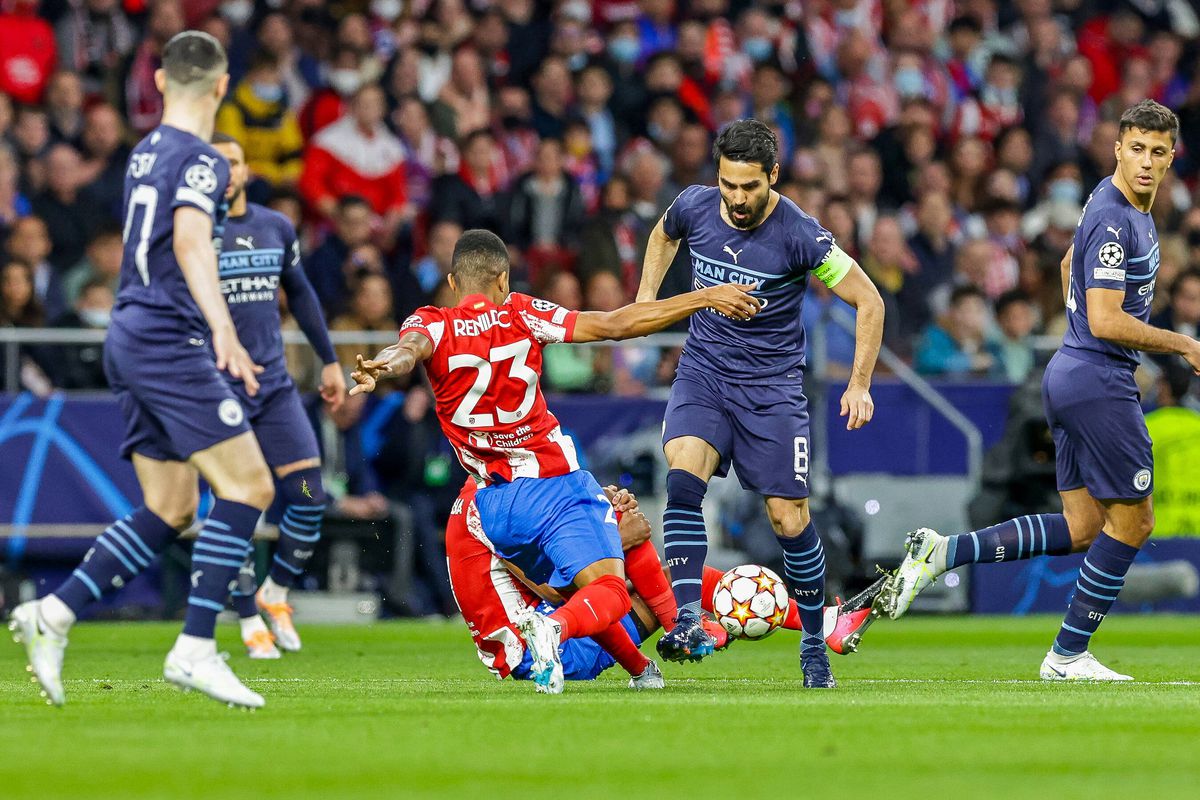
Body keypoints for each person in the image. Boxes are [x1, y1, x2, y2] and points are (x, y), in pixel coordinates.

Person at [349, 228, 760, 694]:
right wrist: (701, 297)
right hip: (550, 482)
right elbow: (614, 325)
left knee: (601, 563)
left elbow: (408, 351)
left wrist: (385, 365)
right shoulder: (522, 311)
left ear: (452, 280)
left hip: (494, 501)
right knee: (608, 585)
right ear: (502, 278)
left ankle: (645, 666)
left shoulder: (430, 322)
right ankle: (581, 630)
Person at [881, 100, 1200, 681]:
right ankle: (1069, 653)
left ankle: (942, 553)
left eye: (1158, 151)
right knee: (1134, 521)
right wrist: (1181, 343)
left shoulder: (1110, 201)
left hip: (1070, 372)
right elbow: (1105, 319)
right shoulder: (1118, 217)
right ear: (1117, 149)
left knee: (1082, 527)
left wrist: (1081, 320)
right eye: (1136, 149)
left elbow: (1065, 266)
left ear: (1171, 155)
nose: (1147, 162)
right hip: (1098, 378)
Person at [9, 31, 274, 709]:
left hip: (129, 331)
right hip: (167, 336)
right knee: (249, 487)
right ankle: (195, 648)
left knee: (171, 505)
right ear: (220, 87)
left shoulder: (144, 151)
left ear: (157, 82)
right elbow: (189, 239)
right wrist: (223, 329)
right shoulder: (202, 160)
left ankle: (53, 614)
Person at [634, 119, 885, 688]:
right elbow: (662, 235)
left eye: (750, 186)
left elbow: (868, 301)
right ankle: (689, 619)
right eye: (729, 185)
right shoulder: (694, 206)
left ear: (773, 175)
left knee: (788, 518)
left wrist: (859, 383)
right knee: (682, 476)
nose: (738, 198)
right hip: (704, 374)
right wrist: (645, 301)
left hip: (772, 391)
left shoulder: (800, 234)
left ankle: (816, 643)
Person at [446, 478, 884, 686]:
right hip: (546, 647)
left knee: (638, 549)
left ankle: (687, 625)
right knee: (641, 558)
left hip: (544, 630)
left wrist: (603, 516)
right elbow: (559, 591)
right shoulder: (496, 510)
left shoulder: (498, 492)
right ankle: (686, 625)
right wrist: (613, 536)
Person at [210, 133, 346, 659]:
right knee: (239, 503)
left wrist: (329, 359)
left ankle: (277, 590)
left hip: (273, 388)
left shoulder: (274, 226)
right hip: (218, 389)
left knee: (310, 493)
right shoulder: (192, 235)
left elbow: (302, 293)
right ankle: (247, 621)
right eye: (216, 164)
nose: (227, 172)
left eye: (234, 162)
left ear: (246, 170)